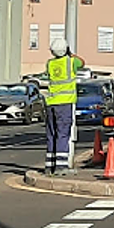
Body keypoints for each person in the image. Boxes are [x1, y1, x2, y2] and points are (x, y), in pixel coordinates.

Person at [44, 36, 84, 175]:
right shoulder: (71, 61)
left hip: (51, 103)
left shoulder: (50, 64)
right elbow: (82, 62)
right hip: (65, 103)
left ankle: (50, 165)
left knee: (52, 134)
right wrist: (70, 53)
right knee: (63, 133)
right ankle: (61, 166)